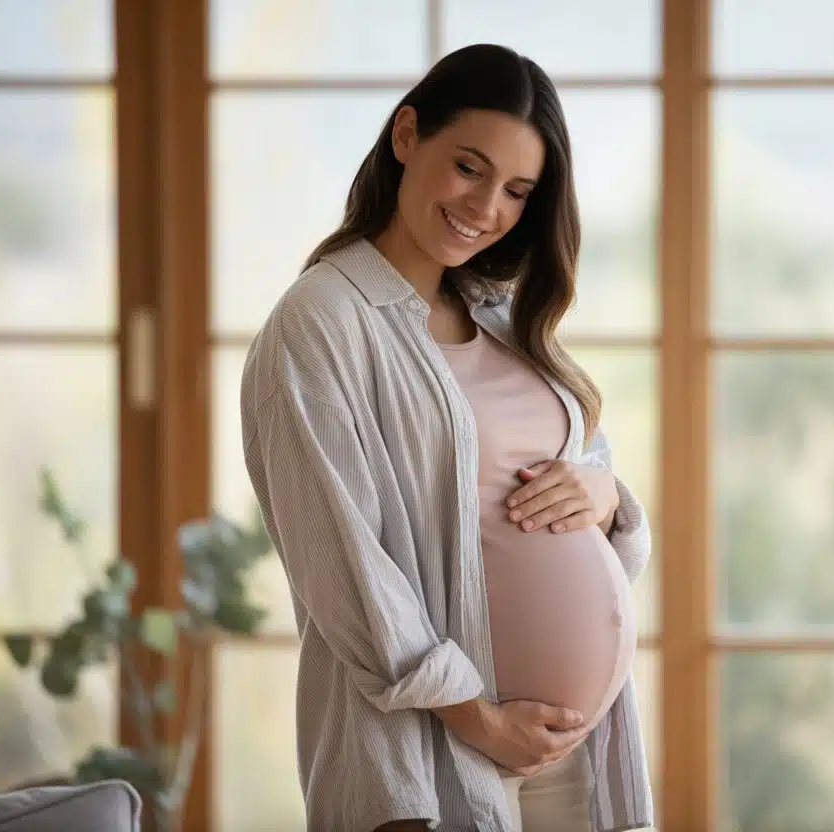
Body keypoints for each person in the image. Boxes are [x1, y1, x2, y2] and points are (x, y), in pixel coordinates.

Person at [239, 43, 654, 832]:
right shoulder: (321, 323)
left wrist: (604, 495)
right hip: (428, 753)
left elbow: (595, 482)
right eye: (469, 167)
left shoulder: (504, 312)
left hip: (575, 753)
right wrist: (479, 720)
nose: (486, 206)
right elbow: (344, 564)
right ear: (406, 137)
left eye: (517, 191)